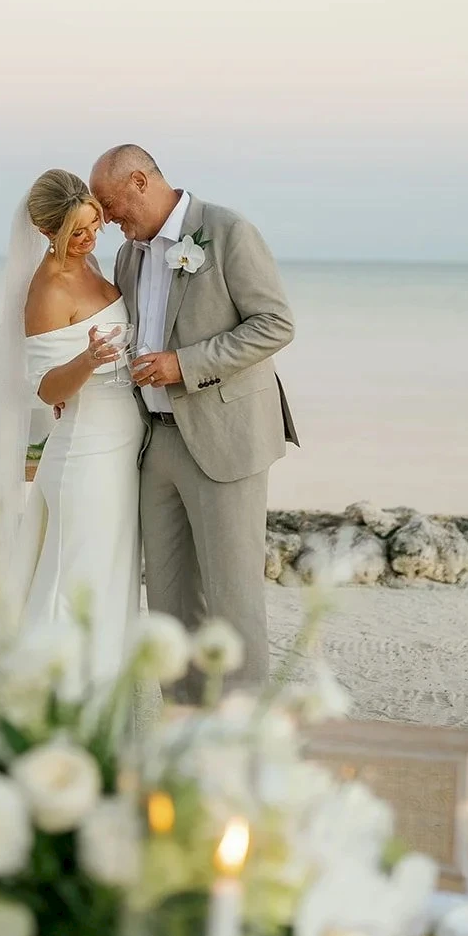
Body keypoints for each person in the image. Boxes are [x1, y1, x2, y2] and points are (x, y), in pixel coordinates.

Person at [0, 169, 145, 680]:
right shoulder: (46, 288)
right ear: (46, 233)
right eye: (76, 233)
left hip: (119, 450)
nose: (88, 240)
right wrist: (86, 361)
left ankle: (102, 700)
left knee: (108, 580)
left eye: (92, 226)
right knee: (73, 581)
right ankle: (46, 699)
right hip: (85, 454)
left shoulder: (94, 264)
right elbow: (45, 390)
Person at [89, 144, 297, 699]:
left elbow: (275, 324)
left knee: (233, 599)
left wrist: (185, 364)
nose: (109, 221)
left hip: (225, 438)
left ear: (139, 181)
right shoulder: (129, 256)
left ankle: (244, 732)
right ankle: (181, 729)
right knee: (169, 601)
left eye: (112, 206)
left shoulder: (227, 231)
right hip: (154, 444)